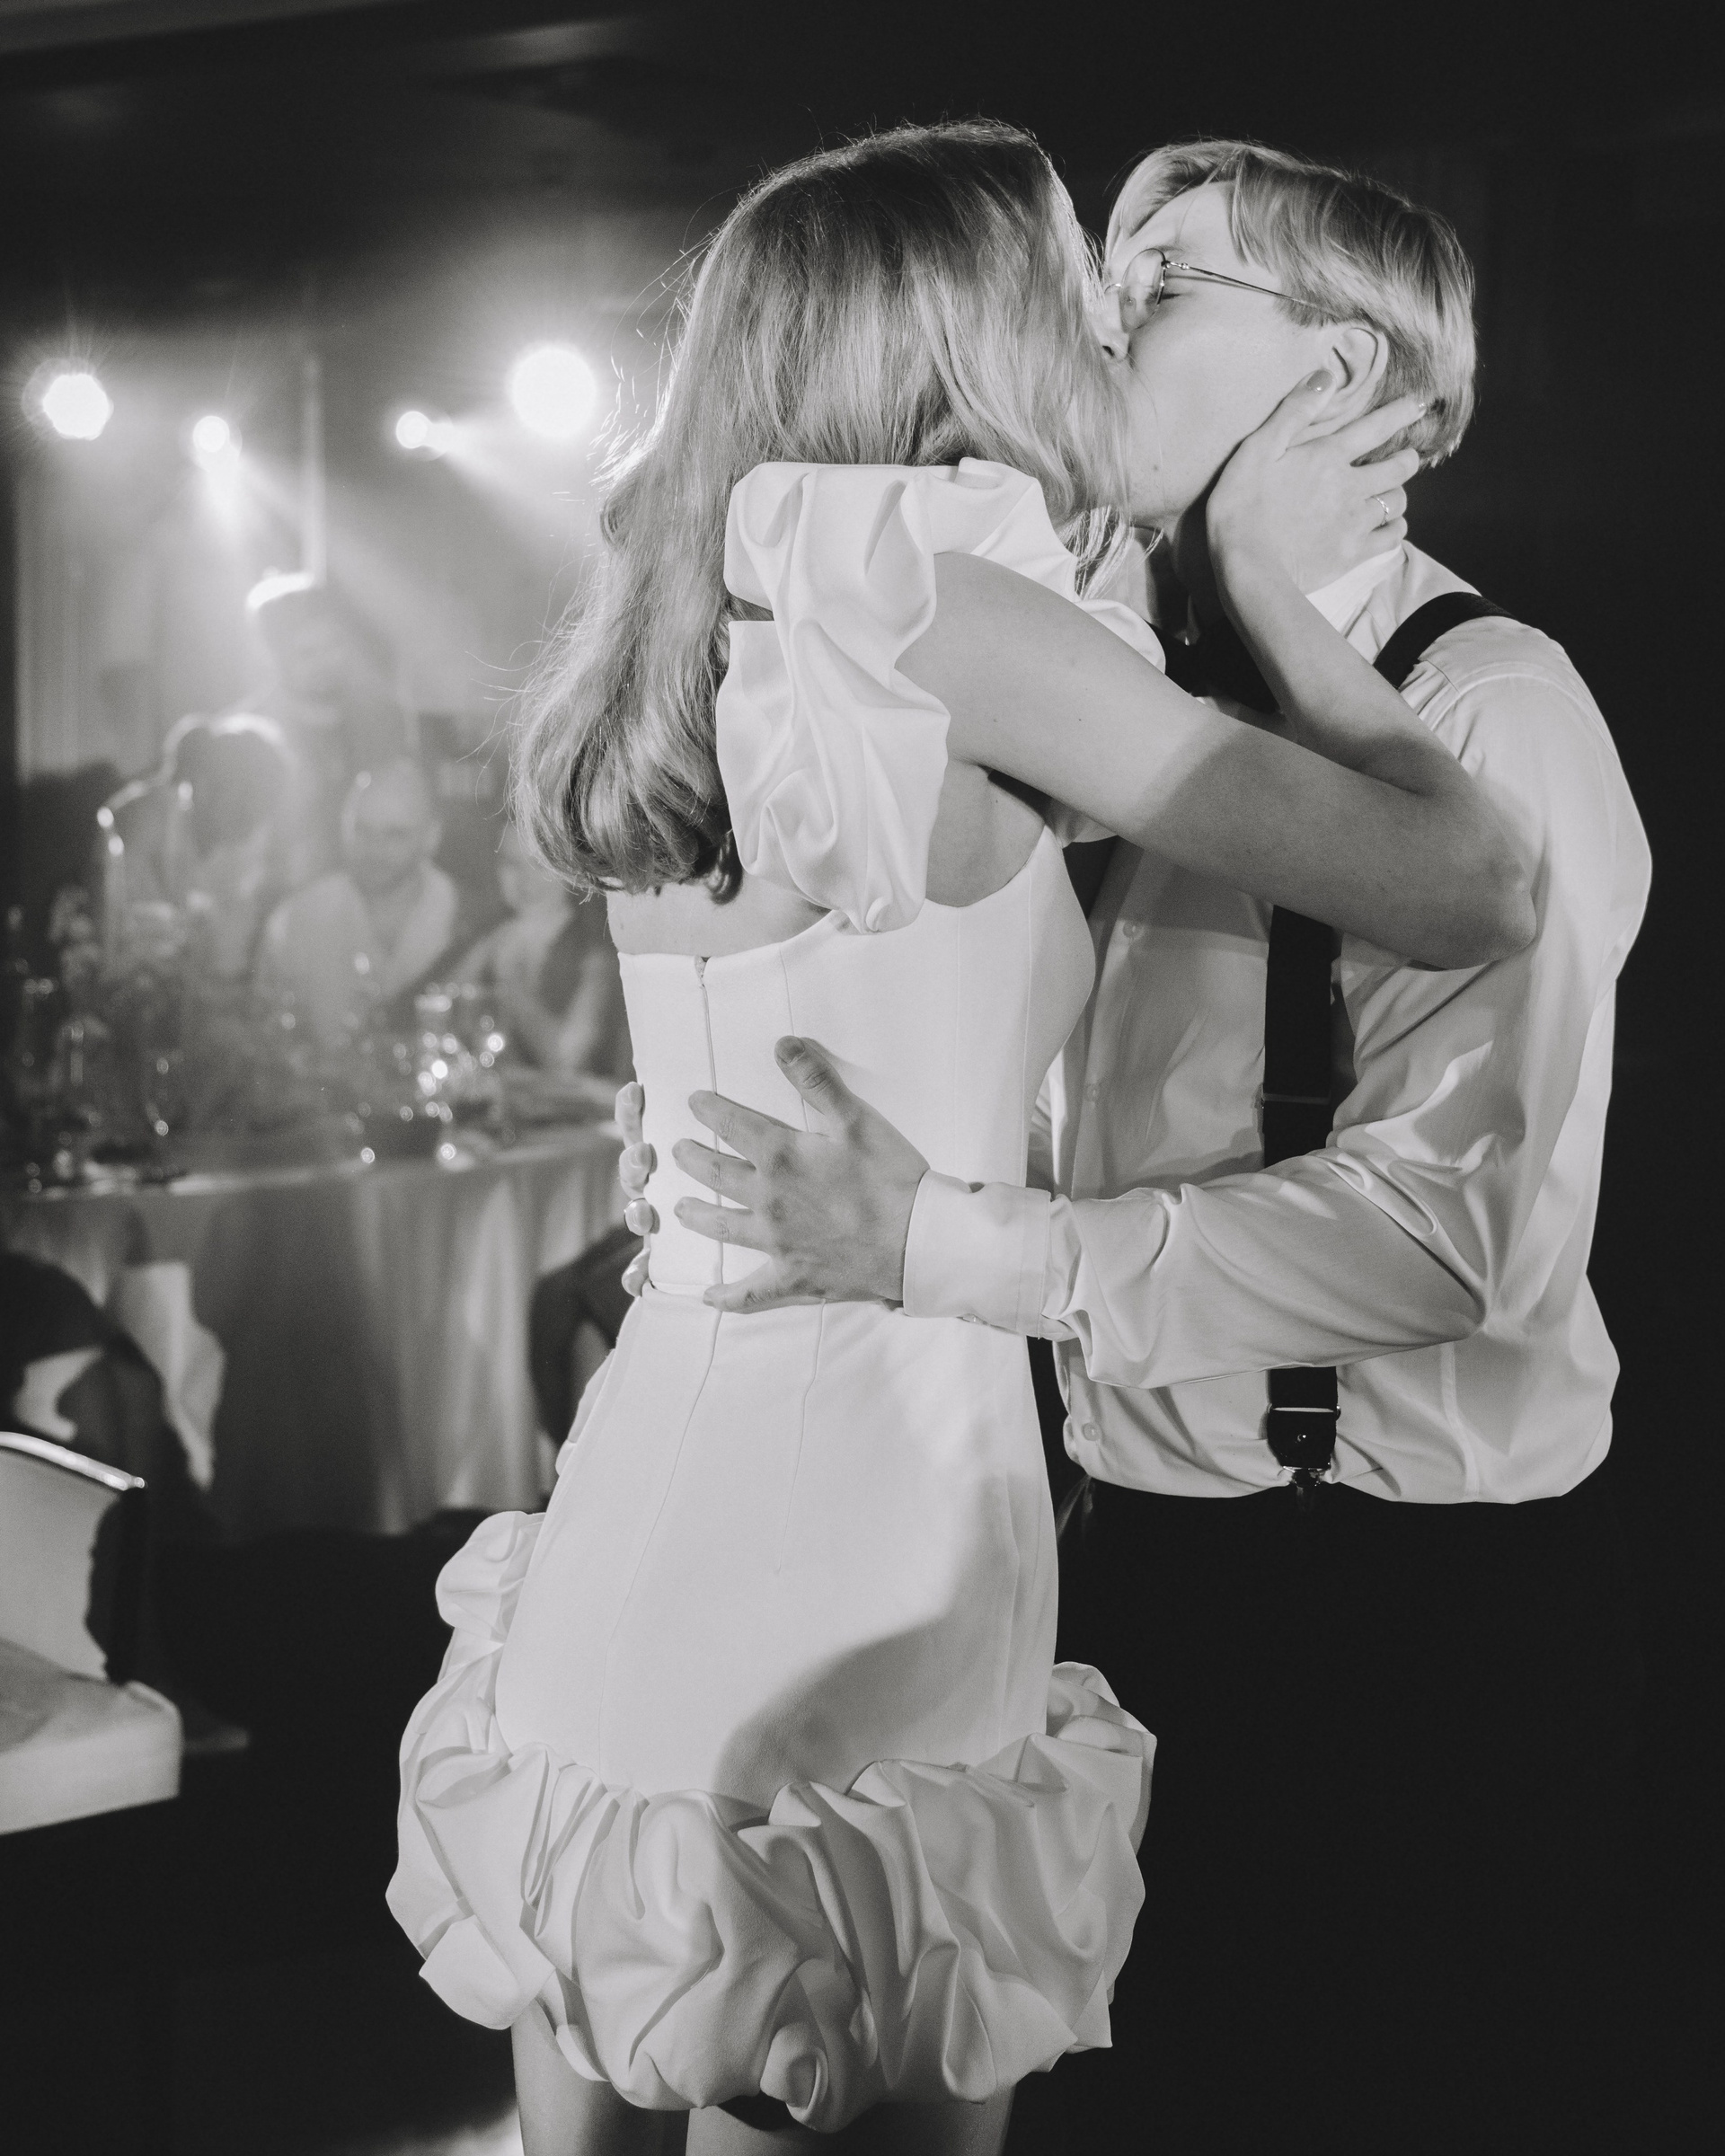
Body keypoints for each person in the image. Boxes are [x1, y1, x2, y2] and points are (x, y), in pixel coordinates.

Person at [387, 123, 1531, 2156]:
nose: (1101, 332)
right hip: (861, 1491)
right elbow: (1468, 888)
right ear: (971, 331)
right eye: (1073, 292)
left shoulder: (743, 591)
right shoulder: (937, 605)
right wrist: (1270, 579)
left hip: (664, 1463)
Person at [645, 139, 1650, 2155]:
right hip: (1108, 1552)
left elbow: (1452, 1246)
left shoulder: (1491, 712)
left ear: (1340, 375)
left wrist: (947, 1246)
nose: (1096, 327)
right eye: (1098, 281)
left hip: (1382, 1613)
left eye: (1164, 286)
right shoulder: (1093, 667)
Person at [255, 760, 469, 1054]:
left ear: (432, 837)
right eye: (362, 830)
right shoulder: (296, 919)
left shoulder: (467, 919)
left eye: (395, 834)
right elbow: (265, 1037)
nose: (375, 849)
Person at [98, 712, 296, 980]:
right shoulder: (146, 819)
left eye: (261, 810)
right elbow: (119, 937)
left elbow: (227, 959)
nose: (251, 824)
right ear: (208, 783)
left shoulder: (237, 850)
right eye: (246, 804)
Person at [243, 570, 411, 879]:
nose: (326, 662)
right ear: (273, 657)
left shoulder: (385, 721)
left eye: (334, 644)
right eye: (307, 652)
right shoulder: (247, 736)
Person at [452, 820, 631, 1101]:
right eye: (512, 863)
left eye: (539, 864)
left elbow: (567, 1063)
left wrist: (511, 983)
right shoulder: (487, 937)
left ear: (570, 869)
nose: (525, 879)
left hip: (587, 1118)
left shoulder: (596, 951)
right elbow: (437, 1022)